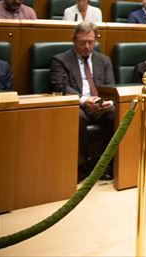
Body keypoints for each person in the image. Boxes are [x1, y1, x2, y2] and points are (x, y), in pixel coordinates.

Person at [50, 22, 116, 181]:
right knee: (77, 116)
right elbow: (59, 86)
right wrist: (85, 100)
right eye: (83, 42)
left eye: (91, 42)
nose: (87, 46)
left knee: (117, 113)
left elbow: (110, 87)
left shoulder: (104, 60)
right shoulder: (60, 60)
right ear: (74, 40)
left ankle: (98, 163)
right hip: (78, 105)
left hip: (100, 105)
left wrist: (108, 102)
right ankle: (80, 166)